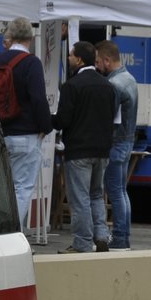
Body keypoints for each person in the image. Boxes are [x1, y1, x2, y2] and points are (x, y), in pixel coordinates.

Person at [53, 40, 116, 253]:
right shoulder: (108, 86)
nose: (69, 58)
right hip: (102, 150)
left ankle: (82, 243)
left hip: (78, 150)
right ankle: (101, 236)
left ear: (79, 59)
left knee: (79, 198)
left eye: (71, 55)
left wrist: (48, 119)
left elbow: (63, 120)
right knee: (97, 195)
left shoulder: (71, 86)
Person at [0, 17, 53, 226]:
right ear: (30, 37)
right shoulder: (31, 63)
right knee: (22, 188)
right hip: (26, 136)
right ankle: (11, 235)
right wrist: (46, 127)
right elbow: (38, 99)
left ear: (10, 36)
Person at [95, 40, 139, 250]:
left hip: (116, 143)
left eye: (97, 61)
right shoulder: (129, 78)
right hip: (127, 140)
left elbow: (108, 118)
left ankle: (120, 237)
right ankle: (123, 236)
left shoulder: (114, 84)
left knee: (115, 192)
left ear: (106, 60)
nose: (96, 66)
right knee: (121, 191)